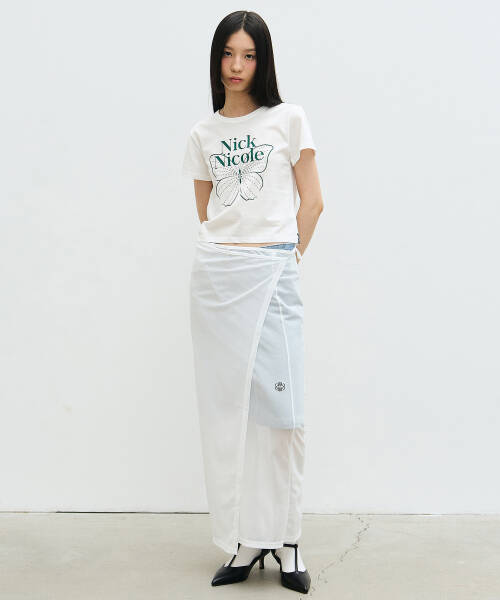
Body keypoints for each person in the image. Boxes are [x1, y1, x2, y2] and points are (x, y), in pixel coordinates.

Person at [181, 10, 323, 595]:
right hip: (219, 281)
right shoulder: (202, 134)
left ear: (263, 61)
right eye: (227, 54)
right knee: (232, 415)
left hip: (272, 273)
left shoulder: (288, 119)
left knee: (284, 415)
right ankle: (247, 538)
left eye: (248, 55)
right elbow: (208, 212)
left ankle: (287, 540)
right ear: (216, 59)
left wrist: (288, 257)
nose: (236, 66)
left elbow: (312, 202)